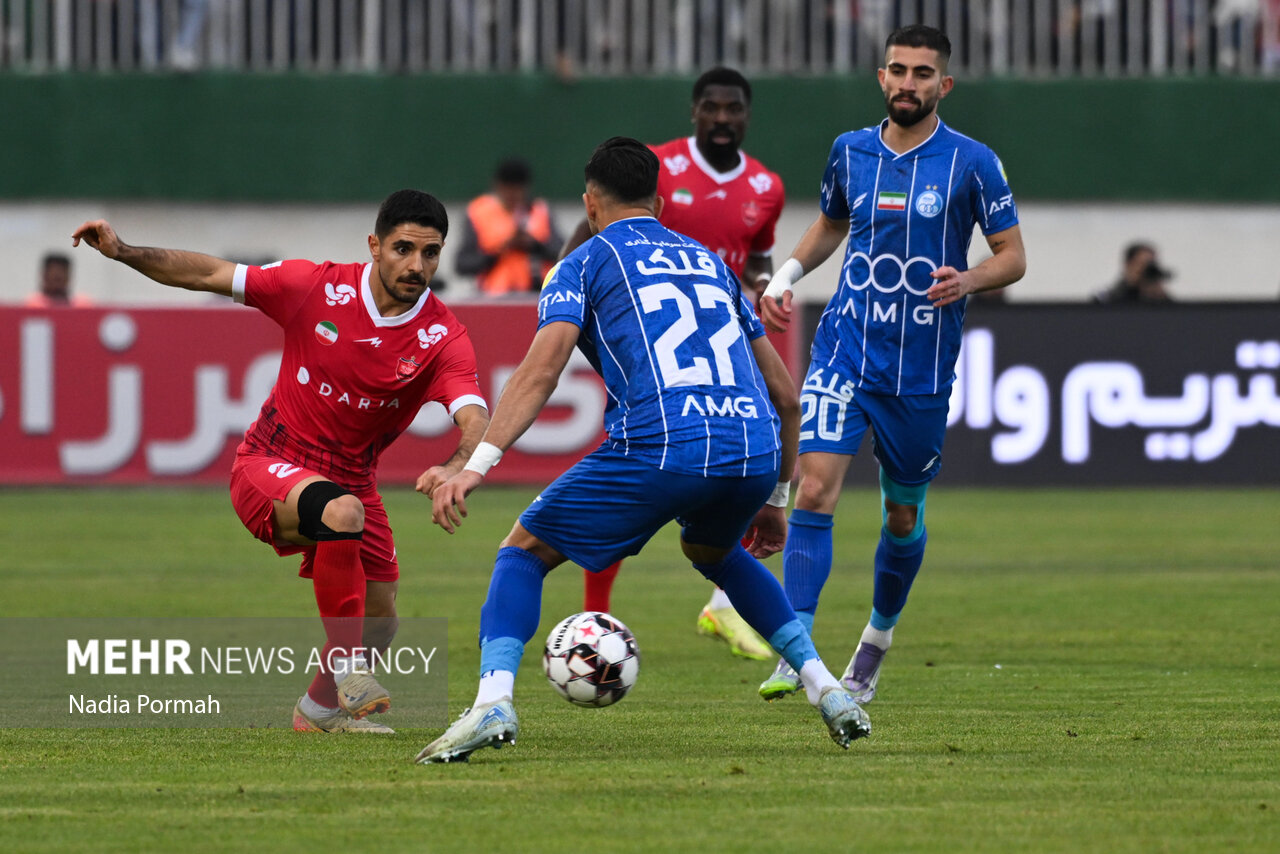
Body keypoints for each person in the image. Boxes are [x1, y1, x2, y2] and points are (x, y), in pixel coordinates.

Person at [414, 137, 869, 764]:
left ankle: (493, 701)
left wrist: (474, 466)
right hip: (753, 445)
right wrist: (775, 497)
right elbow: (787, 397)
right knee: (714, 551)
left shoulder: (580, 264)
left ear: (589, 204)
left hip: (663, 443)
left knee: (522, 551)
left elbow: (540, 373)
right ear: (658, 202)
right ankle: (827, 688)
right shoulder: (711, 263)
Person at [71, 190, 490, 734]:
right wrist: (125, 251)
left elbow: (475, 415)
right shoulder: (313, 286)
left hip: (352, 481)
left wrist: (459, 464)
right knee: (341, 512)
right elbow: (209, 274)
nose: (416, 266)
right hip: (269, 460)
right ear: (374, 246)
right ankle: (348, 669)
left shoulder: (442, 336)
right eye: (403, 249)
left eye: (430, 253)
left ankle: (317, 712)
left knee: (382, 621)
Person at [756, 25, 1027, 705]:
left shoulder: (973, 162)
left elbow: (1013, 256)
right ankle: (797, 646)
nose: (908, 83)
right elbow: (831, 223)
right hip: (844, 348)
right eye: (898, 70)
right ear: (882, 77)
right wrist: (785, 276)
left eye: (922, 73)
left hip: (920, 371)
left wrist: (968, 279)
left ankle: (876, 639)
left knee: (902, 516)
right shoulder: (849, 151)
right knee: (814, 490)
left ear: (944, 85)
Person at [560, 67, 787, 661]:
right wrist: (566, 298)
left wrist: (764, 288)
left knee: (748, 456)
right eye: (711, 106)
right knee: (628, 477)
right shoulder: (655, 168)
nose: (722, 118)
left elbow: (758, 258)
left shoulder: (767, 186)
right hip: (652, 351)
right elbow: (591, 234)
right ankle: (598, 615)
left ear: (747, 115)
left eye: (733, 108)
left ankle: (722, 606)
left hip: (724, 340)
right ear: (694, 111)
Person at [455, 158, 563, 297]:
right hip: (491, 298)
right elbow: (462, 264)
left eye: (517, 189)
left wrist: (535, 246)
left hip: (536, 295)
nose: (512, 195)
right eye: (507, 189)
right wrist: (500, 250)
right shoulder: (478, 212)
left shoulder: (541, 211)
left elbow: (564, 255)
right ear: (497, 186)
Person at [1093, 242, 1174, 304]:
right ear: (1128, 265)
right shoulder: (1109, 298)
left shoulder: (1157, 295)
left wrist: (1160, 297)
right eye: (1141, 264)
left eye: (1151, 264)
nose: (1145, 270)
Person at [25, 253, 92, 307]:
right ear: (44, 276)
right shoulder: (31, 306)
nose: (57, 284)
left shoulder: (83, 306)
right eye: (55, 278)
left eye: (61, 278)